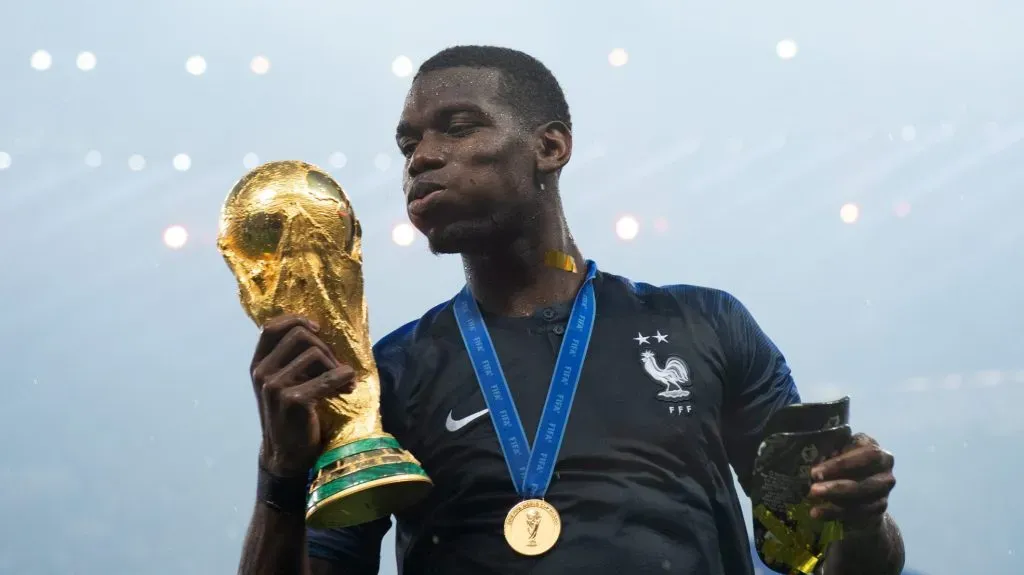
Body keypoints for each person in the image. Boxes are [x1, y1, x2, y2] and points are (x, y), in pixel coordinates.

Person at [237, 46, 904, 575]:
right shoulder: (388, 376)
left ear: (551, 147)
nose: (423, 157)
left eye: (458, 126)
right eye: (408, 145)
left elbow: (819, 558)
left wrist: (863, 517)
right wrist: (281, 471)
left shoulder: (707, 327)